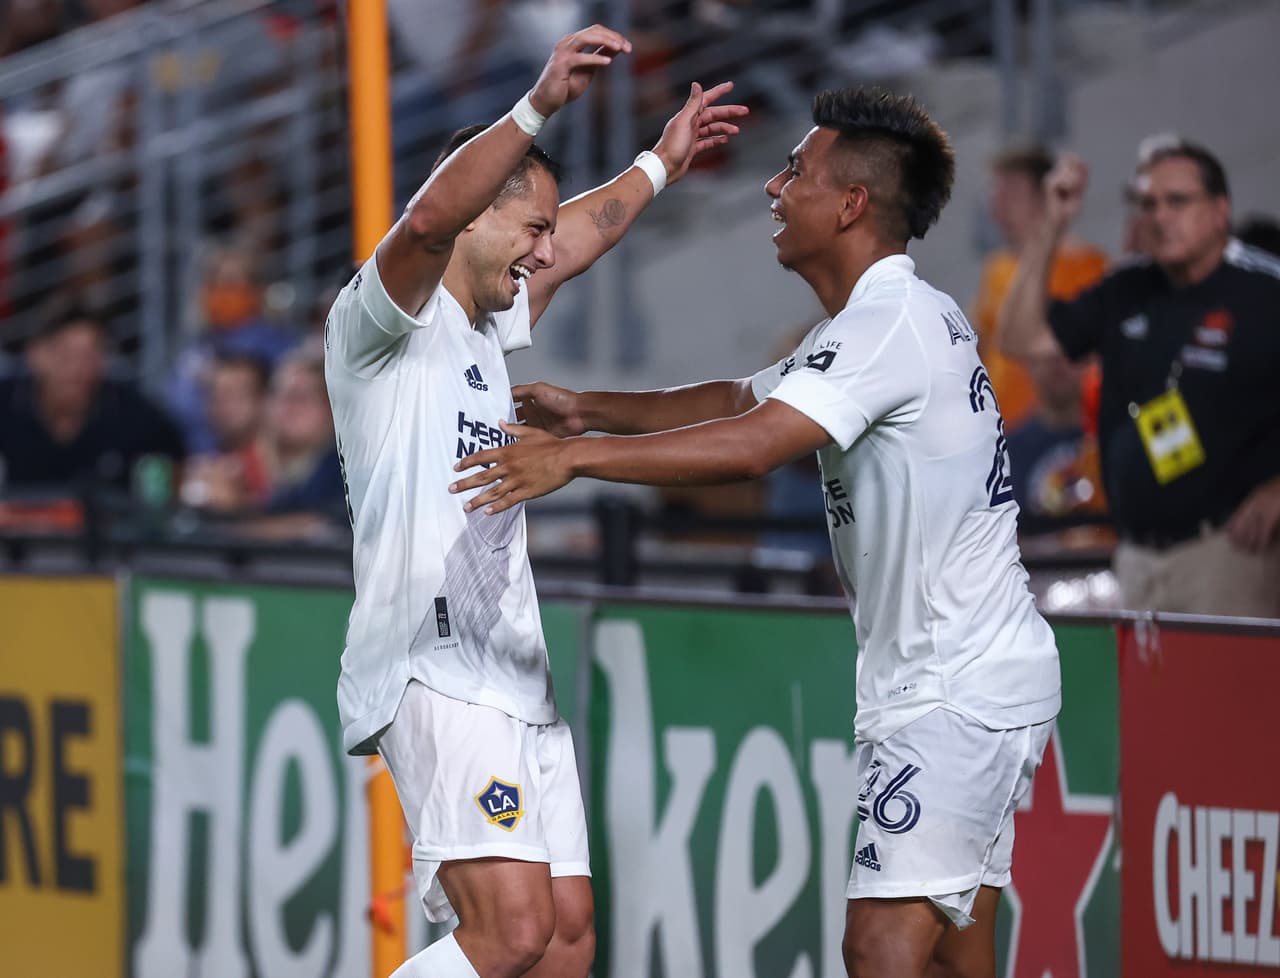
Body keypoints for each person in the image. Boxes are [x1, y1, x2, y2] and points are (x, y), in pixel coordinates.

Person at [451, 87, 1061, 978]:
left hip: (957, 690)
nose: (774, 188)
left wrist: (574, 460)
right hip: (964, 678)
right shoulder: (875, 322)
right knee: (950, 956)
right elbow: (742, 398)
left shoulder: (888, 324)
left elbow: (754, 446)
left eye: (796, 171)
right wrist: (588, 408)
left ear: (851, 204)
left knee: (880, 946)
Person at [323, 25, 746, 978]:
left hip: (514, 666)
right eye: (530, 226)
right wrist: (537, 107)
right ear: (475, 215)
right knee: (508, 931)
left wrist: (658, 164)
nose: (545, 249)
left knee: (562, 936)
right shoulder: (380, 324)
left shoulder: (484, 328)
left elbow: (583, 237)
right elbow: (428, 224)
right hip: (434, 666)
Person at [997, 140, 1280, 617]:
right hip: (1134, 559)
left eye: (1178, 201)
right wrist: (1050, 227)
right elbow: (1019, 337)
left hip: (1229, 556)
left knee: (1221, 693)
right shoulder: (1126, 287)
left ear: (1219, 210)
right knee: (1146, 696)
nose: (1160, 216)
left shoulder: (1264, 291)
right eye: (1148, 203)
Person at [971, 144, 1107, 429]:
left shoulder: (1086, 264)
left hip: (1062, 427)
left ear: (1043, 196)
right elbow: (978, 346)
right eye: (996, 192)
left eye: (1011, 192)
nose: (999, 203)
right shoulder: (996, 270)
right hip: (1005, 432)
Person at [0, 309, 184, 493]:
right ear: (35, 355)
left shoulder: (136, 416)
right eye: (66, 355)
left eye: (91, 356)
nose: (78, 369)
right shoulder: (6, 404)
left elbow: (176, 470)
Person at [1005, 348, 1106, 521]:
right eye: (1045, 354)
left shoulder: (1110, 437)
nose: (1056, 360)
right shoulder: (1007, 452)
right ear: (1028, 364)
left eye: (1065, 350)